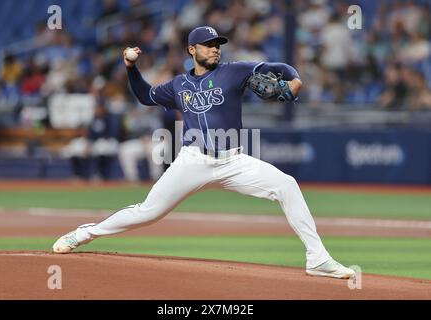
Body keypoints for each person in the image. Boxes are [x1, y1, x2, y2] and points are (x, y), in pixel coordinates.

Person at [53, 26, 356, 279]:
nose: (215, 49)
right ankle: (83, 234)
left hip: (234, 160)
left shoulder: (234, 71)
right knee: (147, 213)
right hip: (193, 160)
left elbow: (276, 68)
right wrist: (131, 68)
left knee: (286, 185)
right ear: (191, 50)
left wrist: (295, 77)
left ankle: (317, 259)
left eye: (217, 44)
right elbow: (146, 96)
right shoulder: (178, 84)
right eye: (208, 45)